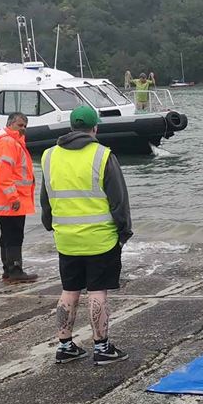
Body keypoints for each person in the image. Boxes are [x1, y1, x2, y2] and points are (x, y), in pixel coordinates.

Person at [40, 105, 132, 365]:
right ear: (95, 129)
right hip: (100, 238)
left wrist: (50, 225)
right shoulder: (103, 156)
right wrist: (124, 230)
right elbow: (119, 200)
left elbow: (45, 200)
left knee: (69, 290)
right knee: (97, 291)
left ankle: (65, 345)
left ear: (71, 128)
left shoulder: (48, 157)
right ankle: (101, 347)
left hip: (66, 238)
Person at [0, 113, 38, 283]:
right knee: (14, 234)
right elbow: (4, 172)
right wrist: (13, 196)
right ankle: (14, 270)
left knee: (8, 234)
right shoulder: (8, 142)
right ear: (10, 124)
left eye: (25, 126)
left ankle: (8, 270)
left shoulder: (9, 141)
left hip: (5, 198)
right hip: (11, 199)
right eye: (20, 125)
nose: (23, 129)